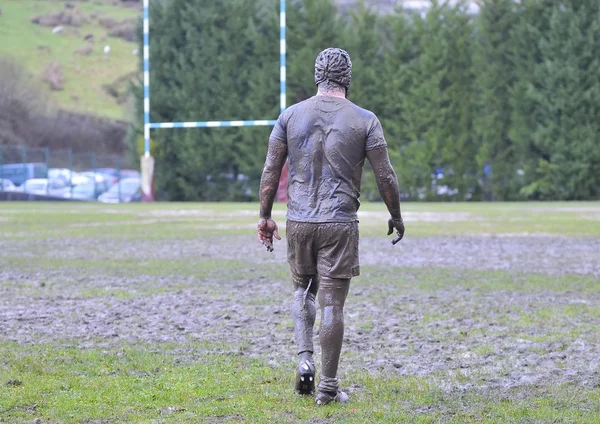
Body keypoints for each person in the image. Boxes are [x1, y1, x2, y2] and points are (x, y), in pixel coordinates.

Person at [257, 47, 404, 405]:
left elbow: (270, 171)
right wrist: (396, 215)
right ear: (347, 78)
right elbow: (385, 176)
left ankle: (305, 358)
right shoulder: (365, 119)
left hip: (300, 220)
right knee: (332, 305)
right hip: (339, 222)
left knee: (302, 291)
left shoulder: (290, 116)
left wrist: (265, 215)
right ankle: (327, 388)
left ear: (317, 77)